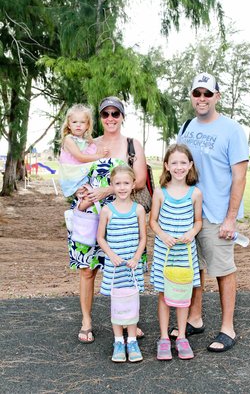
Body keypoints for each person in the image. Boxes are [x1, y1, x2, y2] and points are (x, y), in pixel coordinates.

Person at [176, 72, 249, 352]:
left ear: (217, 96)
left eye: (208, 93)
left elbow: (240, 177)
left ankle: (227, 328)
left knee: (222, 270)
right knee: (195, 268)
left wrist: (231, 217)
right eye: (197, 94)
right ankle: (194, 319)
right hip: (188, 211)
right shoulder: (186, 127)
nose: (202, 99)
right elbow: (179, 166)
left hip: (218, 213)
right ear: (192, 97)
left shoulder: (232, 130)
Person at [66, 96, 147, 344]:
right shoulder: (89, 144)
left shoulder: (132, 145)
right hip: (90, 212)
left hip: (121, 216)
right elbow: (73, 172)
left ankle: (127, 319)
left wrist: (107, 191)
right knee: (88, 270)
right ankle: (87, 321)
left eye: (115, 114)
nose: (110, 118)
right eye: (105, 114)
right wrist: (82, 194)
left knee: (123, 268)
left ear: (122, 117)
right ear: (99, 119)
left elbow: (140, 181)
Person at [150, 144, 203, 360]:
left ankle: (181, 337)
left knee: (183, 296)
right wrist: (163, 235)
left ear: (190, 165)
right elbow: (152, 221)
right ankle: (164, 338)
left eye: (183, 162)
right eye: (174, 163)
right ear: (166, 165)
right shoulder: (160, 193)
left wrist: (192, 232)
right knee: (164, 295)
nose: (179, 167)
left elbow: (198, 221)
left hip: (185, 254)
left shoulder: (195, 193)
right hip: (165, 253)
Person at [97, 165, 146, 363]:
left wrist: (136, 258)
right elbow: (100, 237)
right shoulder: (107, 210)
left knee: (132, 303)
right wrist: (111, 256)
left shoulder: (139, 210)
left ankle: (132, 341)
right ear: (112, 185)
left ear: (133, 185)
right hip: (114, 267)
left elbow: (143, 238)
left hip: (132, 267)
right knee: (117, 304)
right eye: (118, 183)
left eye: (126, 183)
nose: (122, 187)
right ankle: (119, 341)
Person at [59, 104, 108, 203]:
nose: (78, 125)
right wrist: (99, 156)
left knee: (87, 195)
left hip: (80, 172)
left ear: (87, 125)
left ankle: (84, 212)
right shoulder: (69, 139)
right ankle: (80, 212)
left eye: (82, 122)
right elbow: (80, 157)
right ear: (69, 124)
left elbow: (90, 151)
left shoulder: (86, 141)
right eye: (74, 122)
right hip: (72, 172)